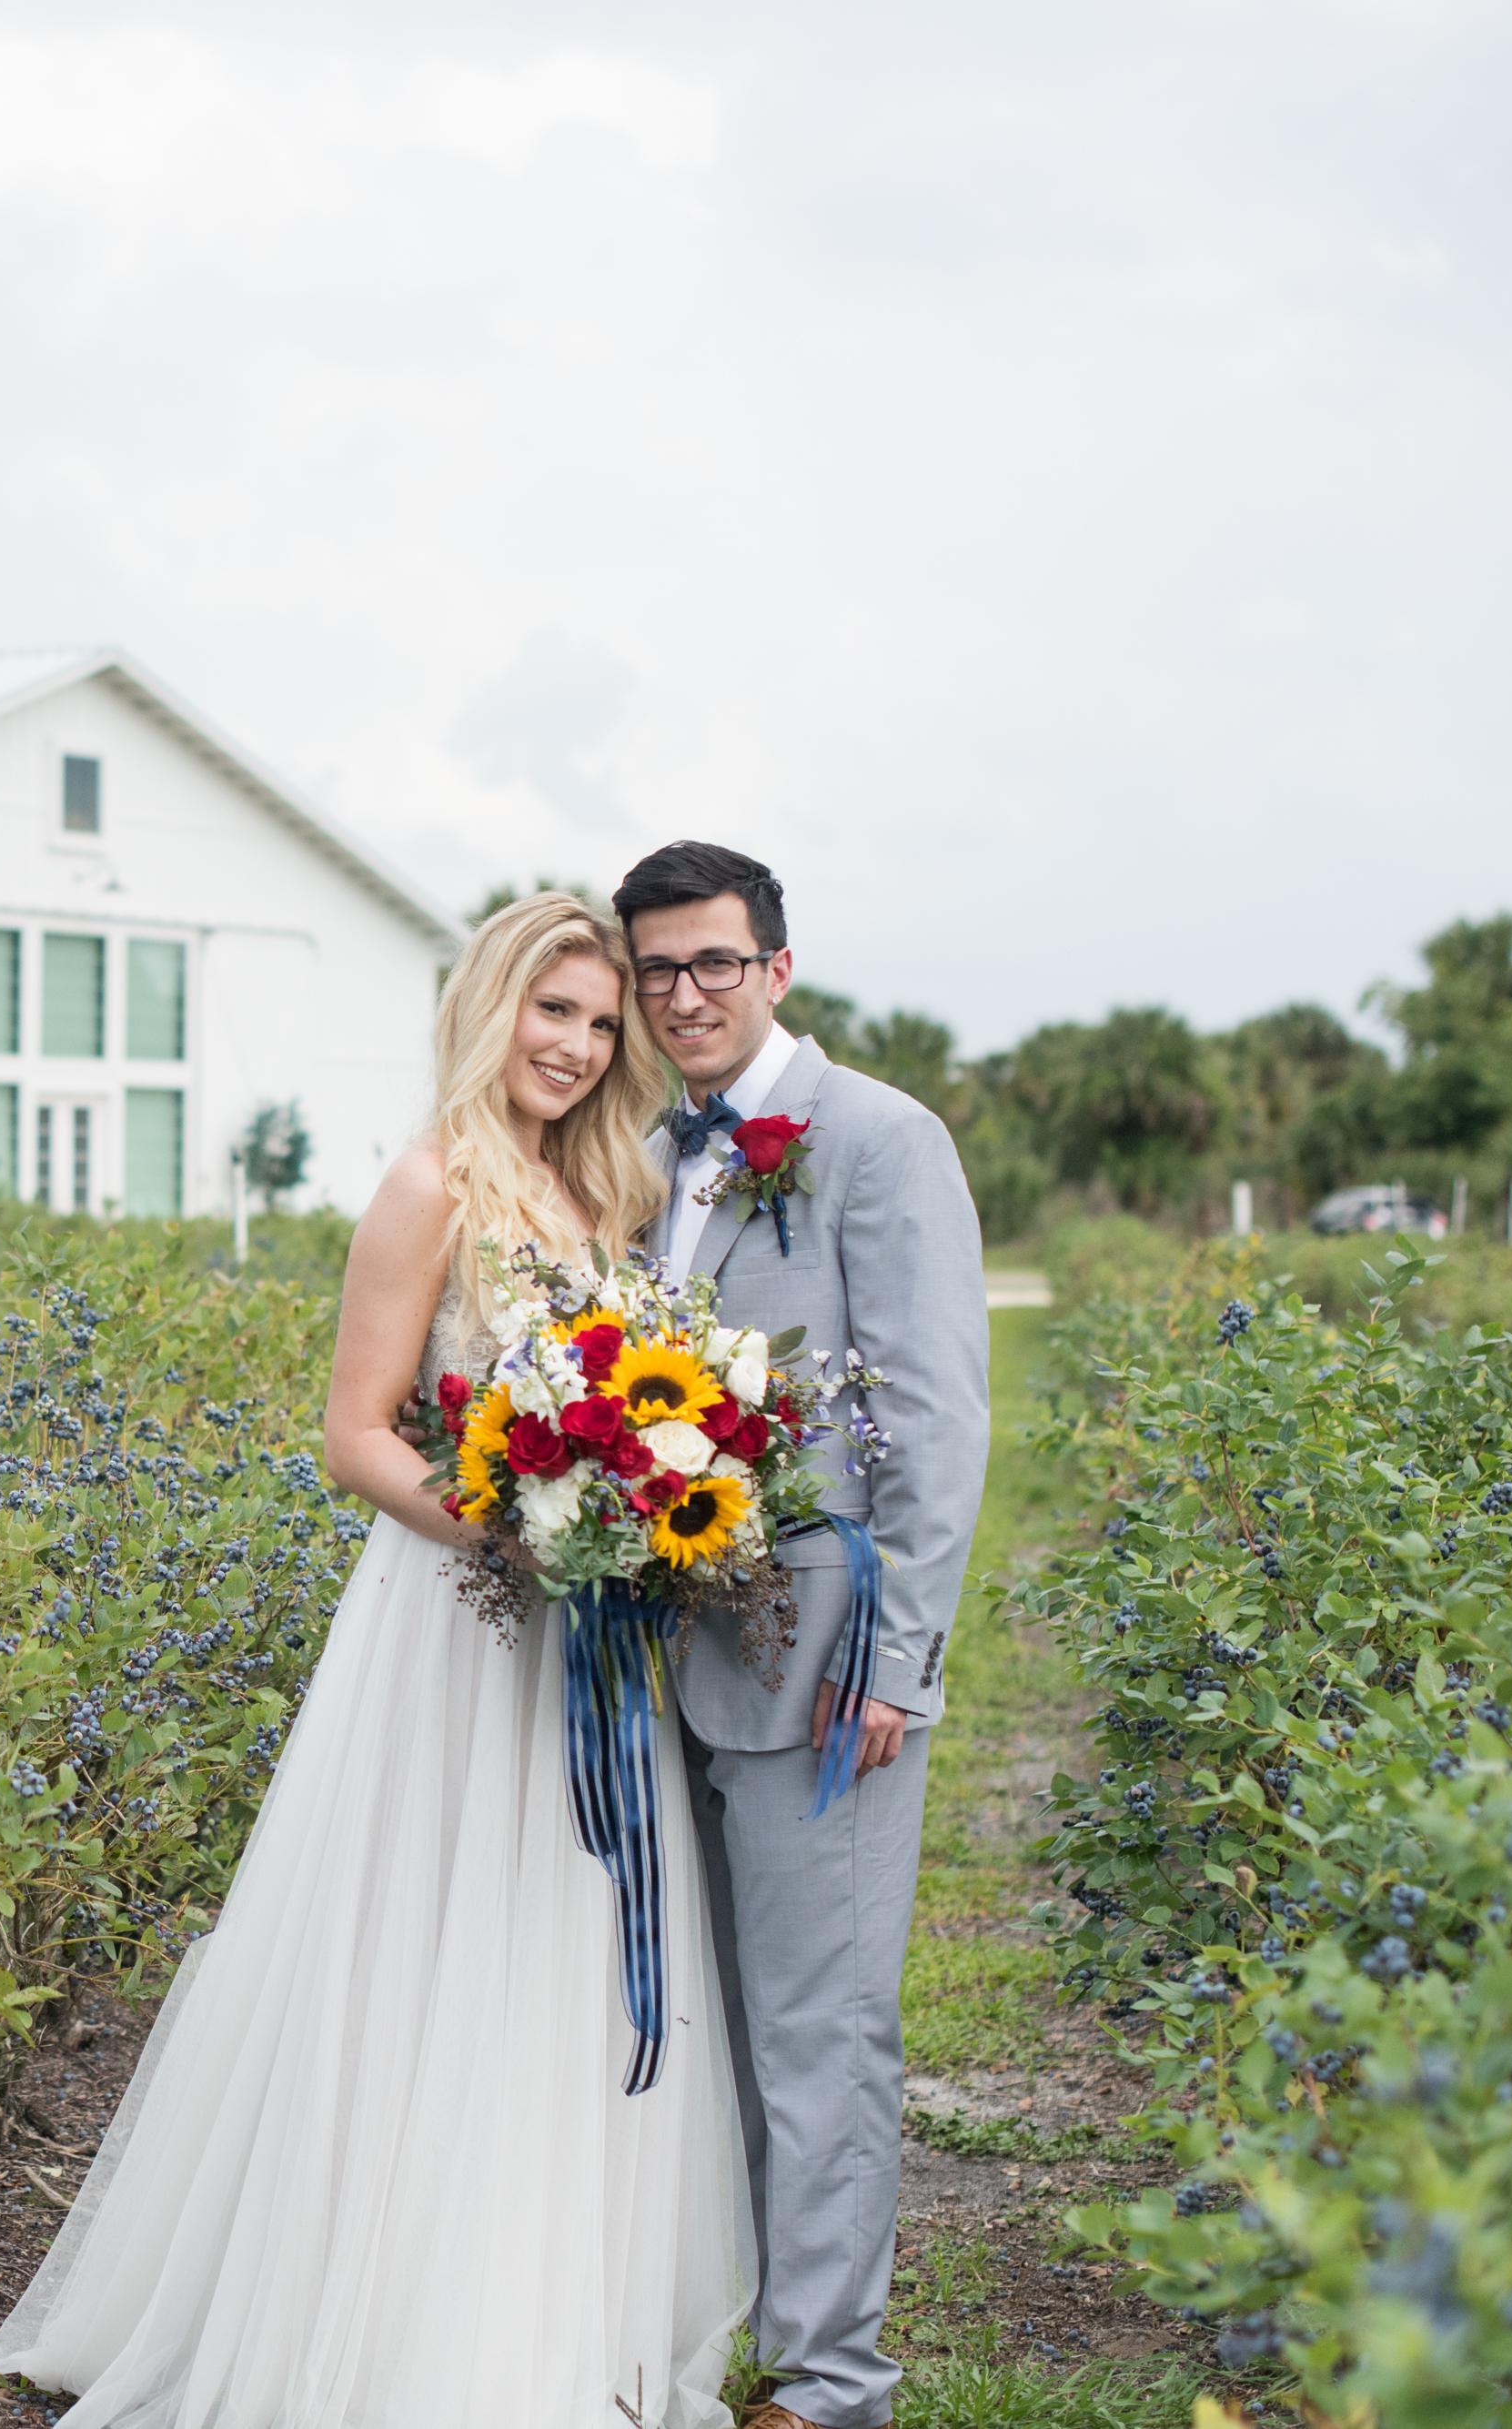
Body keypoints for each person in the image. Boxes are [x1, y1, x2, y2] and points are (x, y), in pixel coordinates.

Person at [0, 892, 755, 2429]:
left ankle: (554, 2310)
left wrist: (629, 1516)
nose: (576, 1045)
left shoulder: (610, 1188)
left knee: (565, 1942)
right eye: (552, 1009)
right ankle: (391, 2323)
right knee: (428, 1949)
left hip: (588, 1633)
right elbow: (354, 1434)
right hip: (458, 1623)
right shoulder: (429, 1183)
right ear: (488, 1005)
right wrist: (511, 1529)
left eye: (601, 1024)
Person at [611, 841, 989, 2429]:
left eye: (715, 961)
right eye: (658, 969)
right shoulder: (649, 1153)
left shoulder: (881, 1139)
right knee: (723, 2029)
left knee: (823, 2031)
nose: (685, 994)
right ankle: (747, 2326)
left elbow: (934, 1417)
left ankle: (834, 2384)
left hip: (828, 1668)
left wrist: (899, 1660)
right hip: (668, 1659)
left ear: (776, 966)